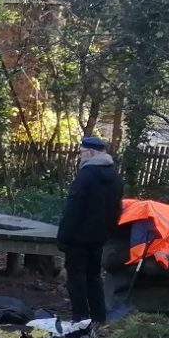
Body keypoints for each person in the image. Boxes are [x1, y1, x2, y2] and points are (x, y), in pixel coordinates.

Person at [56, 135, 123, 325]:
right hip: (99, 238)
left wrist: (63, 237)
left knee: (76, 278)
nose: (80, 156)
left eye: (82, 152)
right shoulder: (115, 178)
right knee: (94, 277)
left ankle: (80, 319)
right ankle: (99, 318)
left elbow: (73, 210)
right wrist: (108, 232)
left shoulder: (85, 177)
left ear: (91, 152)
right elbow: (117, 209)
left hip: (77, 238)